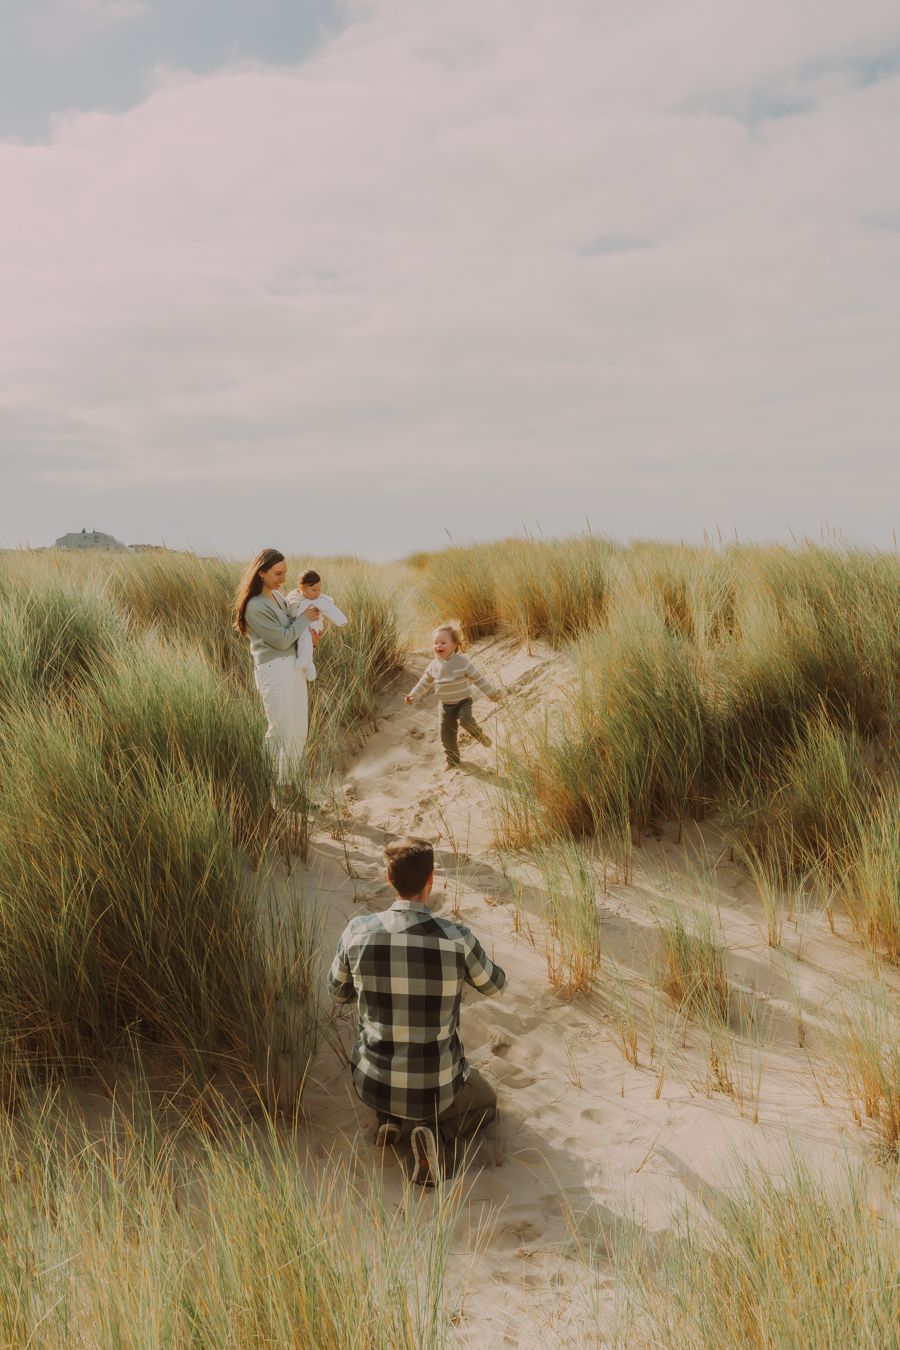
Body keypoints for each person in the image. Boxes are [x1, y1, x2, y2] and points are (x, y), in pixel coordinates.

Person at [328, 836, 506, 1185]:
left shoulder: (357, 931)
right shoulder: (456, 938)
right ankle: (434, 1137)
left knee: (382, 1044)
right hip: (436, 1087)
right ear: (432, 879)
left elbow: (337, 992)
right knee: (486, 1102)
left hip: (372, 1082)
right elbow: (495, 985)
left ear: (389, 878)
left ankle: (388, 1120)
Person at [233, 548, 320, 783]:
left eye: (285, 573)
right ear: (261, 572)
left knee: (299, 730)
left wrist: (309, 634)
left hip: (293, 667)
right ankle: (267, 788)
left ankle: (288, 787)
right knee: (281, 731)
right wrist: (305, 620)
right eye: (277, 574)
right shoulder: (255, 606)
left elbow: (293, 632)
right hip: (273, 670)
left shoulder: (279, 598)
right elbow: (281, 640)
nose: (283, 580)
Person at [405, 621, 500, 768]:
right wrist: (413, 695)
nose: (438, 646)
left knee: (465, 720)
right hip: (445, 706)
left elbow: (477, 678)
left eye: (443, 642)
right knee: (446, 736)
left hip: (463, 702)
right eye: (435, 643)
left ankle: (478, 735)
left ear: (454, 645)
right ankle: (453, 760)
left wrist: (490, 693)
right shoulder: (434, 665)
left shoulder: (462, 662)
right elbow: (424, 682)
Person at [285, 568, 348, 682]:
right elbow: (293, 612)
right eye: (314, 589)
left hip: (315, 626)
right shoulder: (295, 598)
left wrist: (339, 619)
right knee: (305, 640)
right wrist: (305, 607)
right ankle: (306, 663)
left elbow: (329, 608)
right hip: (302, 629)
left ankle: (306, 662)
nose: (318, 593)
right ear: (302, 588)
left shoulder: (319, 598)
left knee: (308, 643)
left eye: (319, 589)